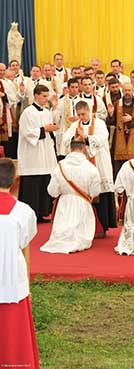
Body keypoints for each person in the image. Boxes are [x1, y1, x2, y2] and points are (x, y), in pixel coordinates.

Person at [0, 158, 40, 369]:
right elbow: (25, 245)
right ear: (15, 181)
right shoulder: (24, 212)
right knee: (14, 334)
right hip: (13, 279)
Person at [62, 101, 116, 236]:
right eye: (79, 115)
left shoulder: (99, 124)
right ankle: (83, 227)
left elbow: (102, 140)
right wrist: (75, 137)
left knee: (100, 194)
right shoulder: (75, 125)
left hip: (99, 163)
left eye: (83, 114)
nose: (81, 117)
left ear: (89, 111)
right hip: (82, 166)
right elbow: (65, 139)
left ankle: (101, 227)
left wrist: (85, 137)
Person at [40, 139, 101, 254]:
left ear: (70, 149)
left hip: (65, 202)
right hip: (82, 203)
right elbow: (95, 191)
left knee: (63, 229)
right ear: (84, 149)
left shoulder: (60, 166)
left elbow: (52, 191)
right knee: (81, 234)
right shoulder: (91, 168)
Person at [18, 84, 58, 222]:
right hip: (32, 155)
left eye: (47, 96)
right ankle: (30, 215)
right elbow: (26, 132)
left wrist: (51, 128)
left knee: (44, 182)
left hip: (45, 153)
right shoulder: (28, 112)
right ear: (36, 96)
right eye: (44, 96)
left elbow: (48, 130)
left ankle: (42, 213)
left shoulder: (46, 112)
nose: (46, 99)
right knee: (32, 186)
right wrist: (44, 129)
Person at [106, 83, 134, 174]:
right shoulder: (116, 104)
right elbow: (111, 122)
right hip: (119, 137)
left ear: (133, 91)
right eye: (125, 90)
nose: (127, 92)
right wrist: (111, 114)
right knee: (119, 164)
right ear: (122, 91)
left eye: (129, 90)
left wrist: (132, 119)